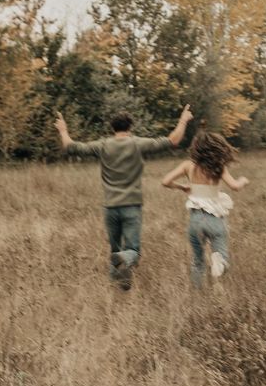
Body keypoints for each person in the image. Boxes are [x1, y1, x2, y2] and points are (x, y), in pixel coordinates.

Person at [54, 105, 193, 290]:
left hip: (110, 206)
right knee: (132, 251)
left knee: (115, 251)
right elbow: (173, 140)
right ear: (130, 127)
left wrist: (63, 130)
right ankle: (125, 264)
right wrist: (183, 120)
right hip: (132, 205)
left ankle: (119, 288)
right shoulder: (138, 143)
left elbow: (72, 147)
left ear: (113, 128)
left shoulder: (102, 145)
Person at [161, 128, 248, 287]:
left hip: (195, 221)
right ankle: (219, 262)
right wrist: (243, 180)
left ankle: (197, 295)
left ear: (196, 148)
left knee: (198, 261)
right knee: (221, 256)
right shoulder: (219, 167)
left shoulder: (188, 165)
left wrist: (182, 187)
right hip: (215, 220)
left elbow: (165, 181)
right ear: (217, 149)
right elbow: (235, 186)